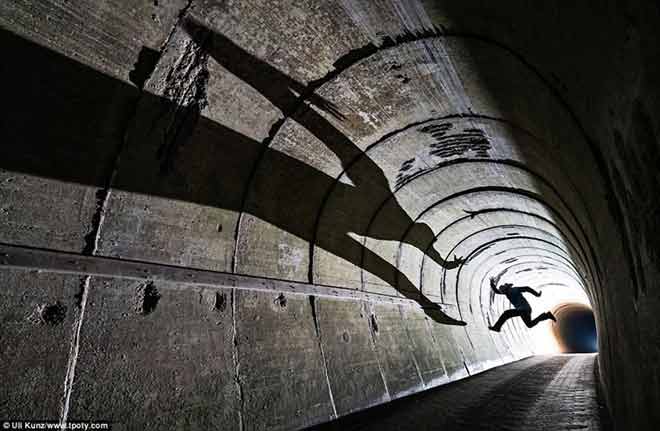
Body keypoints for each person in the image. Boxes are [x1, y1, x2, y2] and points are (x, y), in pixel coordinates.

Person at [488, 277, 556, 332]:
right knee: (530, 325)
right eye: (502, 291)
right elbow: (496, 291)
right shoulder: (507, 293)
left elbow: (527, 288)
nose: (502, 292)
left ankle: (497, 327)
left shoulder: (515, 289)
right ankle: (546, 315)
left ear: (507, 288)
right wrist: (491, 283)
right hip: (525, 310)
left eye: (503, 289)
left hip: (524, 309)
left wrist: (537, 294)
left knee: (507, 313)